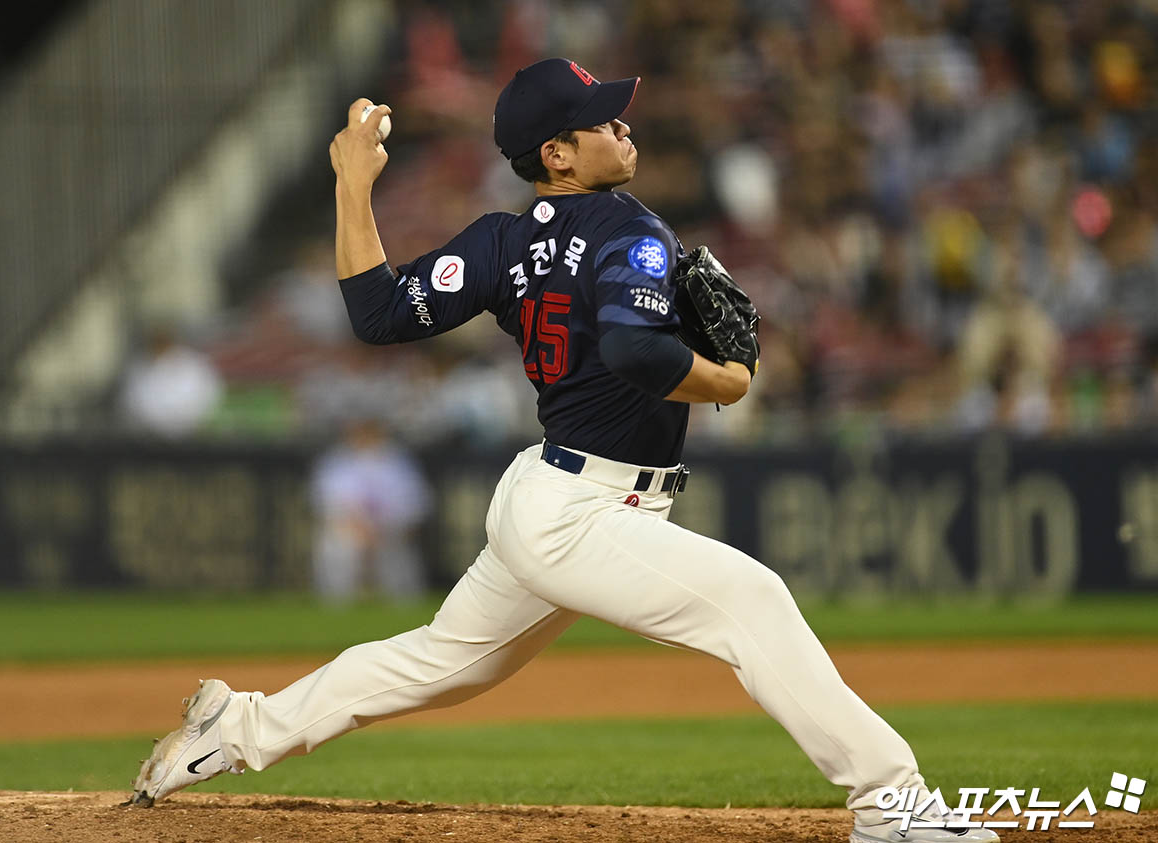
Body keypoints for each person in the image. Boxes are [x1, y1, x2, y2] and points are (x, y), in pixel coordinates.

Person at [130, 58, 996, 843]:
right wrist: (727, 382)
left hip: (543, 494)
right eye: (601, 121)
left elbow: (377, 312)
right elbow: (633, 350)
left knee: (440, 662)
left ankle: (237, 727)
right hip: (583, 512)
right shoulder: (632, 232)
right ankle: (893, 803)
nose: (623, 125)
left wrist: (352, 185)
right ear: (558, 153)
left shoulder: (500, 241)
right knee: (752, 599)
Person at [310, 414, 432, 602]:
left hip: (391, 531)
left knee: (397, 557)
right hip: (348, 530)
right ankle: (338, 604)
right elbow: (326, 502)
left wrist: (387, 529)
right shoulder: (335, 462)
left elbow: (414, 502)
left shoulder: (399, 462)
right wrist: (358, 528)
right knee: (340, 549)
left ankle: (402, 606)